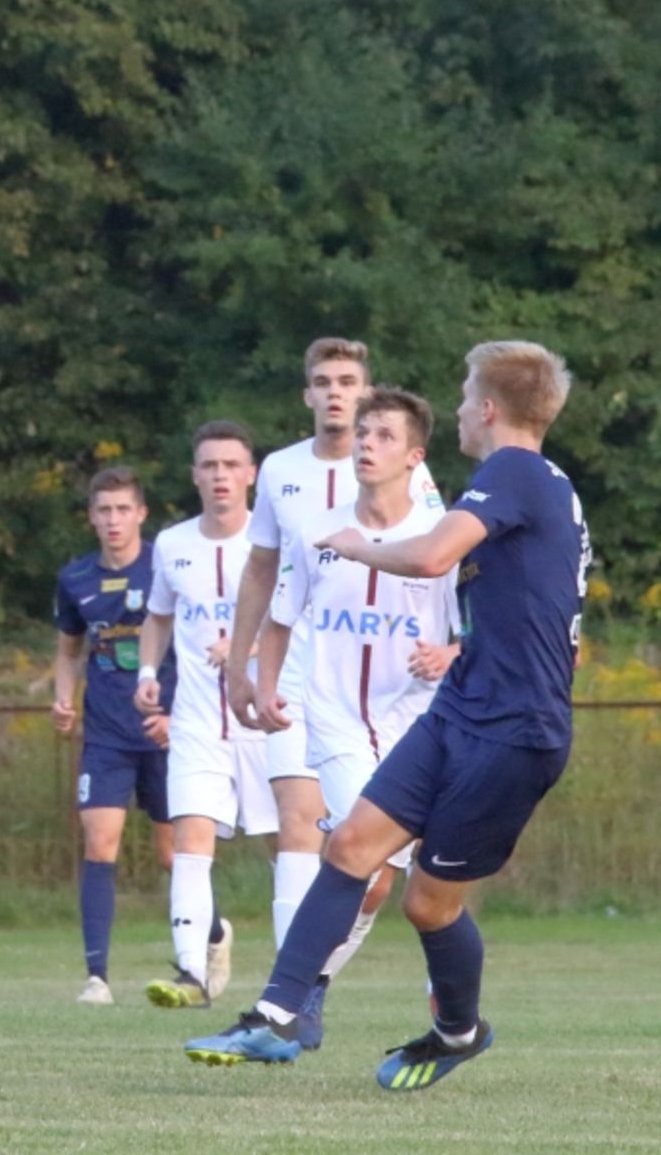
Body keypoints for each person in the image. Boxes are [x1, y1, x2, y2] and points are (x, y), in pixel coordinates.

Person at [186, 341, 587, 1092]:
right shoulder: (526, 483)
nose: (463, 409)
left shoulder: (515, 470)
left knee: (428, 904)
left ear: (491, 409)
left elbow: (435, 558)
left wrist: (357, 544)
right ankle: (276, 1018)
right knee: (349, 848)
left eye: (469, 397)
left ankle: (458, 1032)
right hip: (462, 709)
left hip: (515, 731)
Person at [222, 338, 444, 1043]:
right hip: (328, 709)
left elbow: (466, 605)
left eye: (352, 385)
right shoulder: (293, 490)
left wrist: (450, 649)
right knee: (341, 841)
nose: (343, 402)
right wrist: (250, 673)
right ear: (307, 393)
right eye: (324, 382)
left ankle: (315, 993)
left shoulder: (438, 522)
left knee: (391, 881)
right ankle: (281, 1007)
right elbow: (270, 587)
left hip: (418, 720)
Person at [136, 421, 274, 1009]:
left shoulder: (274, 545)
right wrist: (147, 674)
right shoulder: (171, 544)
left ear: (251, 475)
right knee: (188, 840)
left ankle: (301, 980)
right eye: (209, 466)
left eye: (230, 465)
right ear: (195, 475)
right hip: (195, 723)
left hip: (267, 722)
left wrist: (244, 649)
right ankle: (192, 971)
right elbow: (158, 616)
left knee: (287, 850)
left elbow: (303, 620)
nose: (220, 476)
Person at [50, 467, 177, 1005]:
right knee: (100, 846)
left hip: (169, 731)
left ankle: (206, 945)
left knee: (177, 857)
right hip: (105, 737)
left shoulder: (166, 566)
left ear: (141, 514)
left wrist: (180, 712)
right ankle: (97, 976)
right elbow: (68, 651)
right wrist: (62, 698)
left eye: (123, 509)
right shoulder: (76, 578)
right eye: (104, 510)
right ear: (92, 517)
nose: (113, 520)